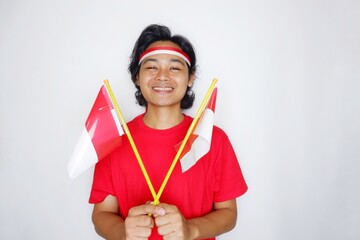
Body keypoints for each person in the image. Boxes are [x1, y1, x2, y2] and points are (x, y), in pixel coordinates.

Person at [89, 24, 248, 240]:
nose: (163, 76)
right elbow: (102, 214)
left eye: (174, 68)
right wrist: (122, 232)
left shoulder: (212, 138)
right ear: (137, 77)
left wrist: (191, 229)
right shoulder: (113, 140)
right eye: (152, 67)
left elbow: (229, 214)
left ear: (190, 78)